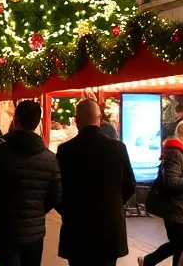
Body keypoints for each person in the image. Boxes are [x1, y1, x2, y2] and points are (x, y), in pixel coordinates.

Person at [0, 100, 61, 266]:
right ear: (37, 123)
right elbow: (55, 196)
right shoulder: (49, 158)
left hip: (3, 230)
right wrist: (36, 212)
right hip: (34, 233)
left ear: (16, 120)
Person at [56, 99, 135, 266]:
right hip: (109, 229)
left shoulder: (65, 151)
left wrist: (68, 212)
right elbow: (130, 185)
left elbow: (57, 190)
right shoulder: (118, 148)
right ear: (99, 119)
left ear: (76, 121)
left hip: (77, 229)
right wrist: (114, 205)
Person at [141, 118, 183, 266]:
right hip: (177, 211)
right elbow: (170, 182)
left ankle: (148, 261)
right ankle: (148, 261)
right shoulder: (174, 154)